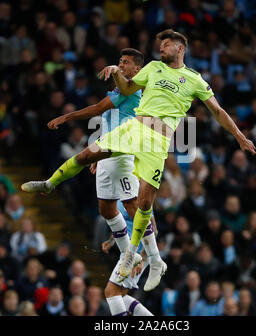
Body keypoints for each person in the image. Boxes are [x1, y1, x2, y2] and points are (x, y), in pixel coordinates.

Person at [22, 28, 256, 283]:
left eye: (166, 45)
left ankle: (141, 257)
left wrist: (239, 136)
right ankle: (50, 183)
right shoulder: (154, 67)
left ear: (180, 48)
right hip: (135, 128)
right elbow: (128, 87)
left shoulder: (195, 80)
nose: (161, 49)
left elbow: (218, 111)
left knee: (144, 204)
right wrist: (116, 72)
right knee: (88, 155)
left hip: (158, 139)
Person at [23, 48, 165, 291]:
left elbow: (98, 109)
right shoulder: (120, 89)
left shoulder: (131, 89)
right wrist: (102, 154)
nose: (121, 65)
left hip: (124, 152)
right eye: (120, 61)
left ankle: (155, 259)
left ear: (137, 70)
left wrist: (66, 117)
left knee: (132, 205)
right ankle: (131, 256)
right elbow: (109, 119)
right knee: (106, 209)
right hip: (110, 149)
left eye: (126, 62)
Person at [103, 200, 154, 316]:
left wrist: (142, 258)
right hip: (128, 253)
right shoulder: (120, 198)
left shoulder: (142, 197)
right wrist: (111, 241)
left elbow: (153, 231)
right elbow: (122, 225)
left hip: (137, 253)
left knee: (111, 292)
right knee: (120, 295)